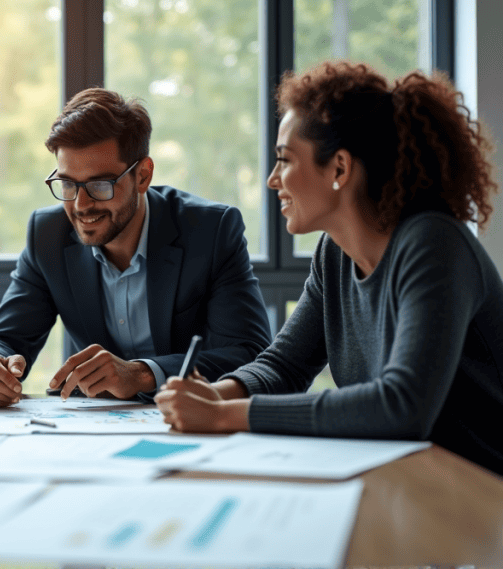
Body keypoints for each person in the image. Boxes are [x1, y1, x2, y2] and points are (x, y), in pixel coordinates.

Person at [155, 61, 503, 476]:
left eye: (284, 160)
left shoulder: (433, 244)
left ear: (339, 168)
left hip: (479, 496)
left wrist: (222, 416)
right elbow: (284, 365)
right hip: (410, 480)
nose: (272, 180)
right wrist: (215, 395)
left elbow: (402, 407)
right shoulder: (334, 253)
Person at [0, 88, 272, 408]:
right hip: (93, 430)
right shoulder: (48, 235)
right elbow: (3, 338)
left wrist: (143, 374)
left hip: (194, 419)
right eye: (67, 183)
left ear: (143, 175)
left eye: (99, 185)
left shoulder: (210, 231)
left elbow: (249, 354)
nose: (81, 205)